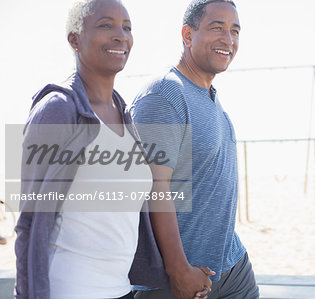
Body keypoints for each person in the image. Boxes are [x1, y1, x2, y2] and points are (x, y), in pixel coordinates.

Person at [14, 0, 170, 298]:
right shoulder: (58, 110)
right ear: (74, 39)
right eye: (105, 25)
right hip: (69, 289)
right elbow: (29, 220)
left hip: (121, 290)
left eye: (127, 27)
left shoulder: (124, 114)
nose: (120, 35)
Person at [131, 0, 259, 298]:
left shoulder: (209, 96)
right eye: (217, 28)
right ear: (187, 35)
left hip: (232, 266)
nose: (228, 39)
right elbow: (152, 186)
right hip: (178, 278)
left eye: (235, 31)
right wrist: (178, 270)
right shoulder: (165, 94)